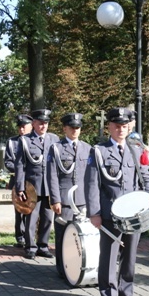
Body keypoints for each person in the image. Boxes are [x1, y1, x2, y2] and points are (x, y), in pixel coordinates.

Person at [85, 107, 149, 296]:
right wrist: (95, 213)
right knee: (109, 254)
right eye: (117, 126)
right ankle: (108, 294)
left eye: (124, 126)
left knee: (130, 254)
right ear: (109, 127)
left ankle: (127, 292)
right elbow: (92, 184)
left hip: (134, 213)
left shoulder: (135, 149)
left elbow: (145, 176)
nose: (121, 129)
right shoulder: (98, 151)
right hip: (110, 213)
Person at [47, 113, 92, 278]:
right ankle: (61, 268)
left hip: (82, 200)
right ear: (65, 128)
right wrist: (55, 199)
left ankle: (76, 267)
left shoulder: (88, 148)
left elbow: (91, 177)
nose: (75, 130)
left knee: (80, 237)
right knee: (62, 236)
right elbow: (51, 176)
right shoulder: (56, 149)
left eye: (77, 127)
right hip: (64, 200)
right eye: (72, 127)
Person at [15, 109, 59, 259]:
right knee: (31, 218)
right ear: (33, 124)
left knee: (47, 218)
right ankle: (30, 246)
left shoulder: (54, 139)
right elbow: (20, 165)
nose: (43, 126)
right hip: (32, 186)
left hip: (49, 186)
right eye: (40, 123)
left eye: (45, 123)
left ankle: (43, 245)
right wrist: (20, 187)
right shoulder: (25, 140)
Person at [4, 114, 33, 247]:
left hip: (33, 182)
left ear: (31, 126)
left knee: (33, 211)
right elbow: (8, 161)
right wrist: (20, 168)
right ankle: (20, 237)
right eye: (19, 127)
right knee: (19, 210)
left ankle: (31, 237)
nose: (21, 130)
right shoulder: (12, 142)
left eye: (24, 127)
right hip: (18, 180)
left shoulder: (35, 141)